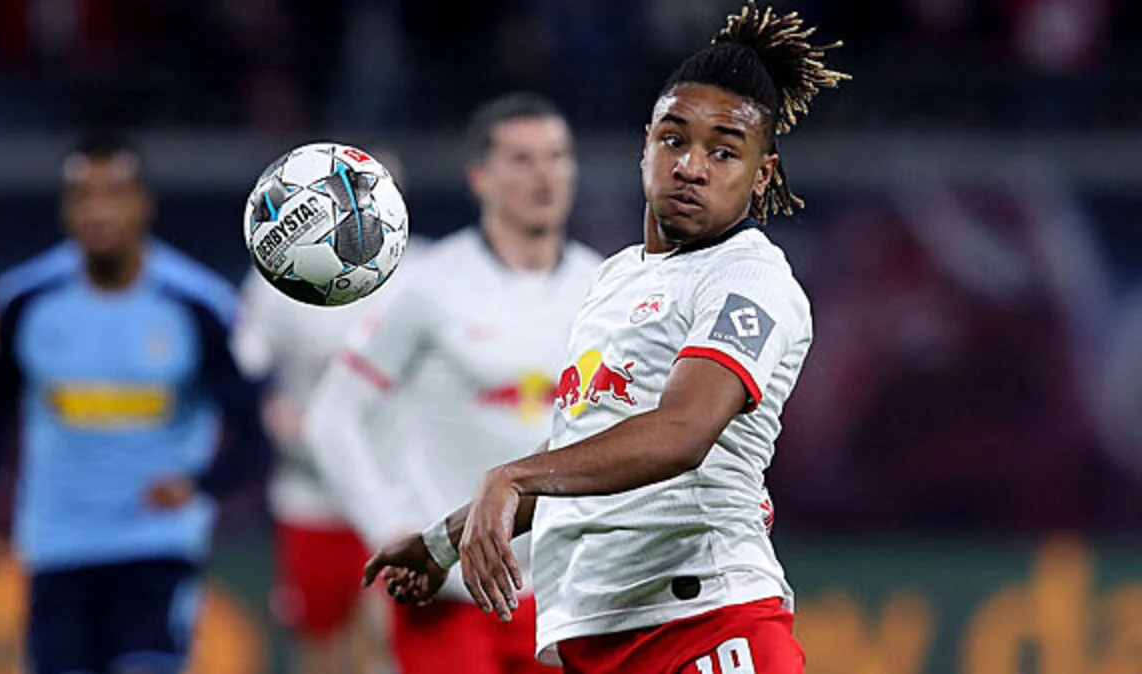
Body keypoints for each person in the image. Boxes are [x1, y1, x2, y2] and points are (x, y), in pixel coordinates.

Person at [362, 4, 848, 673]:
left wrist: (510, 477)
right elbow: (582, 442)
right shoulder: (617, 277)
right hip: (602, 640)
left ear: (761, 175)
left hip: (705, 628)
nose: (691, 167)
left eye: (723, 152)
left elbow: (682, 431)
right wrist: (442, 541)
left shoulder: (749, 278)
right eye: (674, 140)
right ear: (645, 145)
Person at [303, 93, 602, 674]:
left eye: (557, 156)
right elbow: (332, 416)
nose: (544, 175)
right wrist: (391, 527)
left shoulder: (604, 288)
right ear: (480, 178)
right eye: (521, 159)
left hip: (565, 595)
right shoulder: (427, 287)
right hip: (450, 595)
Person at [0, 133, 271, 674]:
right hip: (57, 544)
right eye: (83, 196)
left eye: (114, 195)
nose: (98, 211)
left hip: (156, 545)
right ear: (65, 208)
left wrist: (199, 485)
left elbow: (253, 433)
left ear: (143, 204)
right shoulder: (24, 302)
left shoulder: (197, 306)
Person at [231, 220, 428, 674]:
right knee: (319, 645)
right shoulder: (280, 269)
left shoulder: (424, 270)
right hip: (311, 494)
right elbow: (247, 365)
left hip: (393, 491)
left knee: (387, 639)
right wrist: (269, 411)